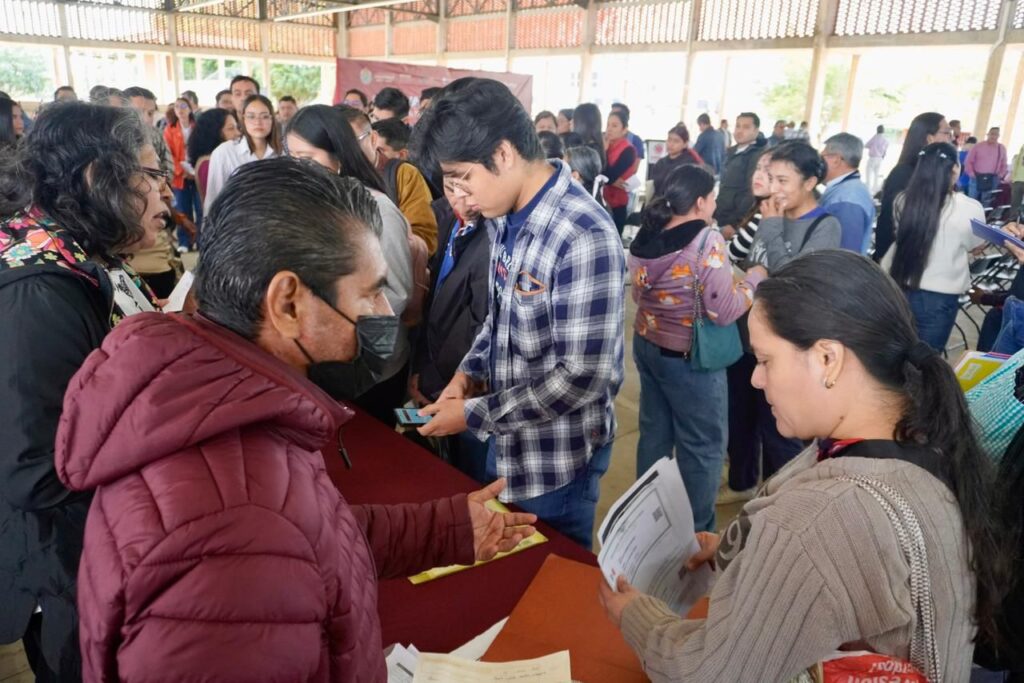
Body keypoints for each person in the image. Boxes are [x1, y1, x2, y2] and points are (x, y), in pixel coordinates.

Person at [54, 157, 537, 682]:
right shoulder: (228, 538)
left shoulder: (218, 407)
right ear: (287, 303)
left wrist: (445, 529)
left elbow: (310, 537)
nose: (383, 312)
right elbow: (265, 542)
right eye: (370, 291)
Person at [599, 249, 1006, 683]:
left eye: (765, 360)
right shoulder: (923, 434)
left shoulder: (819, 517)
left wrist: (637, 616)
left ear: (828, 359)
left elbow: (713, 673)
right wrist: (739, 549)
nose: (755, 379)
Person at [412, 78, 625, 550]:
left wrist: (474, 415)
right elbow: (500, 315)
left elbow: (583, 377)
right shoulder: (502, 214)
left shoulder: (582, 234)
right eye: (450, 184)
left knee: (550, 568)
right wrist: (466, 375)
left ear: (503, 154)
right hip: (506, 439)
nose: (460, 198)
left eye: (463, 179)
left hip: (555, 462)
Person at [0, 101, 167, 681]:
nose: (165, 193)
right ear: (98, 178)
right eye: (152, 175)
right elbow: (35, 469)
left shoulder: (79, 251)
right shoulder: (39, 291)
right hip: (67, 561)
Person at [629, 164, 766, 532]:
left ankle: (646, 521)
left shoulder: (647, 231)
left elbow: (638, 293)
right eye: (713, 199)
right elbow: (725, 310)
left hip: (647, 344)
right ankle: (695, 533)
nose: (715, 205)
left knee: (654, 434)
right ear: (701, 202)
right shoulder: (706, 241)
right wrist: (753, 280)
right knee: (702, 445)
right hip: (689, 358)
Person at [286, 105, 414, 425]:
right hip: (318, 358)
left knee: (368, 439)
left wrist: (338, 326)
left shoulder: (377, 209)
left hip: (370, 364)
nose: (298, 167)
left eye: (307, 158)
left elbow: (397, 294)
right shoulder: (306, 204)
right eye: (292, 157)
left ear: (338, 156)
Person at [412, 171, 492, 483]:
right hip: (438, 373)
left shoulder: (495, 232)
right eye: (450, 187)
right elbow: (430, 301)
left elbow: (481, 323)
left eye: (467, 188)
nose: (460, 199)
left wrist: (444, 380)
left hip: (468, 384)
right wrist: (421, 369)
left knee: (471, 472)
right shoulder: (442, 215)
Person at [882, 142, 986, 352]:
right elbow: (977, 245)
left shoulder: (902, 200)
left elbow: (900, 235)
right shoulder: (969, 208)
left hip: (898, 284)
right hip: (939, 297)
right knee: (926, 359)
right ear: (955, 169)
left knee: (894, 350)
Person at [341, 106, 439, 254]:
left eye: (352, 143)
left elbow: (425, 238)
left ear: (373, 138)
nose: (344, 151)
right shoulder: (334, 177)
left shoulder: (403, 174)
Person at [746, 141, 842, 272]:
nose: (773, 189)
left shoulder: (826, 227)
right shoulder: (773, 212)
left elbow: (796, 278)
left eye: (782, 181)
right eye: (771, 179)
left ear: (809, 183)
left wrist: (771, 227)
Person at [874, 112, 951, 262]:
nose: (951, 139)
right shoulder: (903, 173)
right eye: (947, 133)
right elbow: (888, 220)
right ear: (929, 138)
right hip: (899, 260)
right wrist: (884, 258)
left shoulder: (939, 173)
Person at [204, 94, 282, 213]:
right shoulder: (225, 152)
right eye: (251, 116)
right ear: (243, 119)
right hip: (235, 221)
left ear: (272, 119)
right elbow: (213, 199)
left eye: (265, 116)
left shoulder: (283, 153)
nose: (258, 122)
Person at [820, 132, 876, 254]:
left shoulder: (847, 200)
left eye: (822, 157)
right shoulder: (850, 189)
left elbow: (845, 253)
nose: (819, 163)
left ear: (836, 160)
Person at [714, 112, 766, 235]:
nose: (739, 131)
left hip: (734, 221)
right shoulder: (733, 151)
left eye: (746, 127)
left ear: (756, 131)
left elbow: (751, 193)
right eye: (738, 126)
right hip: (721, 214)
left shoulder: (757, 155)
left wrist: (735, 223)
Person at [164, 96, 201, 252]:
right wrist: (181, 171)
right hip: (180, 176)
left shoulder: (198, 127)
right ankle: (184, 242)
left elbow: (203, 149)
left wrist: (196, 170)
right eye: (177, 107)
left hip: (197, 173)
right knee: (182, 209)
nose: (180, 109)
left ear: (190, 109)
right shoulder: (169, 129)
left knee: (201, 208)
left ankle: (201, 241)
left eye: (184, 106)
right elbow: (168, 154)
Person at [725, 147, 772, 264]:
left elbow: (732, 253)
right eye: (758, 168)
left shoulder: (766, 214)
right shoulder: (760, 206)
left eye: (768, 171)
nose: (759, 175)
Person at [187, 108, 241, 202]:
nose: (238, 133)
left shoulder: (219, 158)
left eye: (237, 128)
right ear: (214, 132)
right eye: (231, 128)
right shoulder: (208, 164)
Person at [603, 108, 639, 235]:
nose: (609, 129)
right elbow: (600, 173)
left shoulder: (628, 150)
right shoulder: (606, 145)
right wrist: (610, 179)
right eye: (608, 125)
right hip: (602, 199)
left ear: (624, 130)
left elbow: (610, 174)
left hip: (617, 204)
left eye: (614, 126)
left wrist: (604, 152)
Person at [650, 123, 703, 197]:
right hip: (659, 202)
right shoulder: (661, 163)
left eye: (676, 141)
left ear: (685, 144)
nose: (671, 144)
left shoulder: (690, 165)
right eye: (669, 139)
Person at [965, 126, 1009, 208]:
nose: (993, 136)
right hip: (976, 178)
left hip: (992, 179)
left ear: (998, 136)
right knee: (971, 201)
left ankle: (982, 215)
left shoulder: (1001, 148)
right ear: (988, 134)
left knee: (986, 202)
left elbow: (1004, 164)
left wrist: (1000, 175)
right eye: (992, 134)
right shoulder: (978, 146)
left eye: (996, 134)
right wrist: (971, 173)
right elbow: (968, 161)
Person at [571, 102, 606, 168]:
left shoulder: (586, 151)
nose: (571, 122)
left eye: (574, 119)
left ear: (582, 123)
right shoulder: (596, 146)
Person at [864, 124, 888, 194]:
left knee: (868, 174)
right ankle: (875, 189)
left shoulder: (875, 138)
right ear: (883, 130)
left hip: (872, 158)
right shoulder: (885, 139)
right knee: (876, 174)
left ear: (877, 130)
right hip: (880, 159)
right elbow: (885, 150)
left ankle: (868, 189)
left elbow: (866, 145)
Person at [1011, 141, 1024, 219]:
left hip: (1018, 180)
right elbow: (1017, 162)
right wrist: (1014, 178)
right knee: (1015, 204)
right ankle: (1013, 221)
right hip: (1018, 180)